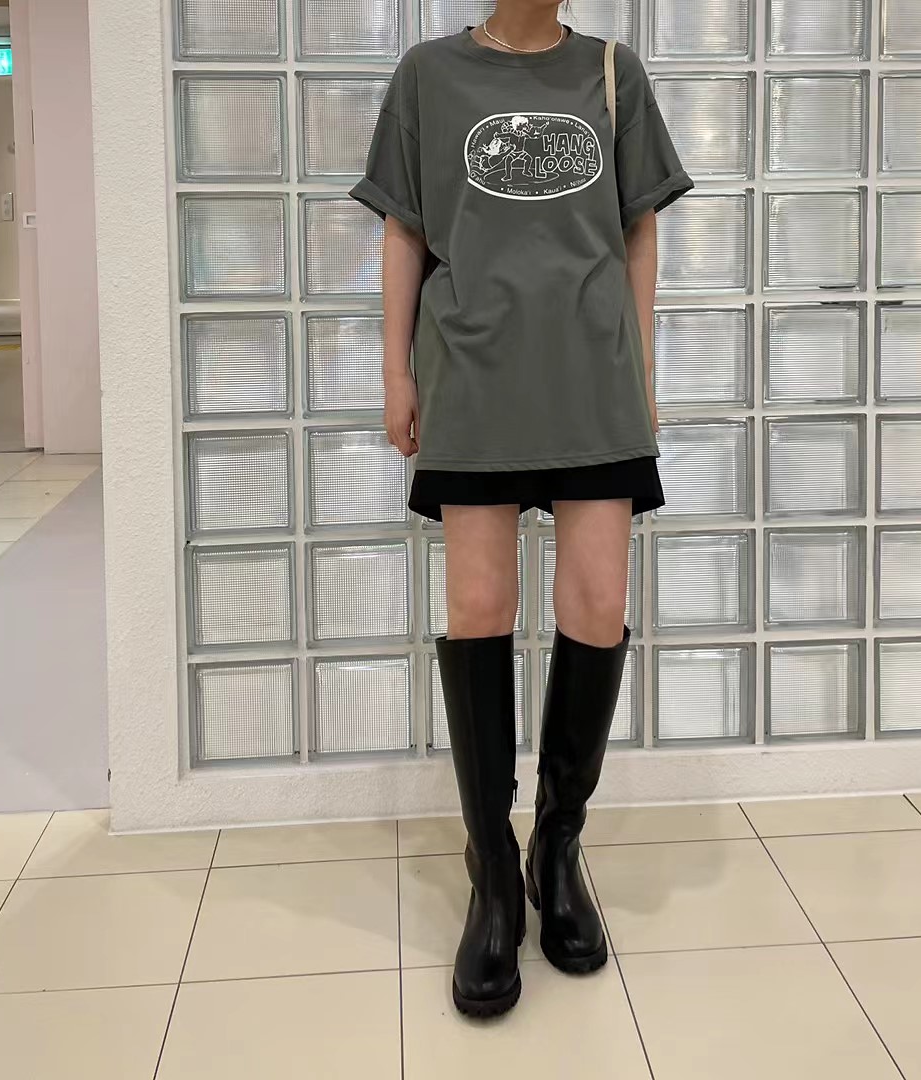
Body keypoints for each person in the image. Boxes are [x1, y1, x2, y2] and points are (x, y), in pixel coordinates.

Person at [349, 0, 692, 1019]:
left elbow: (639, 232)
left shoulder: (614, 72)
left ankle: (557, 847)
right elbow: (405, 229)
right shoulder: (428, 75)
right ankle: (493, 870)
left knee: (595, 606)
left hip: (593, 377)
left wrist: (640, 369)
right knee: (480, 608)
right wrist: (396, 373)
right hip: (472, 373)